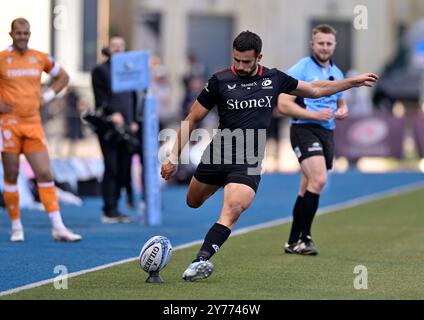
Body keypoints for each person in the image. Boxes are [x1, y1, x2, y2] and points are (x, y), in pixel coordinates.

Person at [161, 30, 378, 281]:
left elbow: (317, 89)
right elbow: (192, 118)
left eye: (246, 61)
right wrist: (173, 156)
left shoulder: (274, 78)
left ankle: (200, 260)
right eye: (236, 60)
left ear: (259, 57)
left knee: (233, 209)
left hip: (250, 158)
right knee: (193, 201)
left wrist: (352, 82)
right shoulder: (219, 81)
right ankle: (221, 185)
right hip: (219, 152)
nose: (240, 66)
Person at [0, 18, 82, 242]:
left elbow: (63, 77)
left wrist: (47, 95)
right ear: (11, 34)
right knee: (11, 174)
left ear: (30, 34)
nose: (22, 37)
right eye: (18, 33)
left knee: (45, 174)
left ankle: (58, 227)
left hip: (33, 124)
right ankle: (16, 226)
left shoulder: (39, 57)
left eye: (26, 33)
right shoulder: (2, 59)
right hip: (8, 125)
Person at [279, 24, 352, 255]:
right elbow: (282, 103)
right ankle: (306, 238)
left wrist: (342, 109)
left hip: (326, 132)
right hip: (303, 128)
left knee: (307, 186)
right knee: (319, 180)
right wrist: (313, 114)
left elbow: (340, 100)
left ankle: (292, 241)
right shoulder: (302, 68)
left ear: (334, 46)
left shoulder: (337, 73)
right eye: (320, 43)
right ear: (312, 44)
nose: (324, 47)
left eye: (329, 43)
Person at [91, 36, 139, 223]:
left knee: (124, 169)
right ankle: (109, 210)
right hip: (108, 127)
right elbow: (100, 98)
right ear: (108, 49)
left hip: (127, 127)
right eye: (114, 46)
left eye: (121, 46)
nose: (118, 49)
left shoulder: (129, 70)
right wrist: (113, 114)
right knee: (111, 167)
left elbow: (134, 97)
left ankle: (117, 207)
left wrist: (133, 119)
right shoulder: (100, 70)